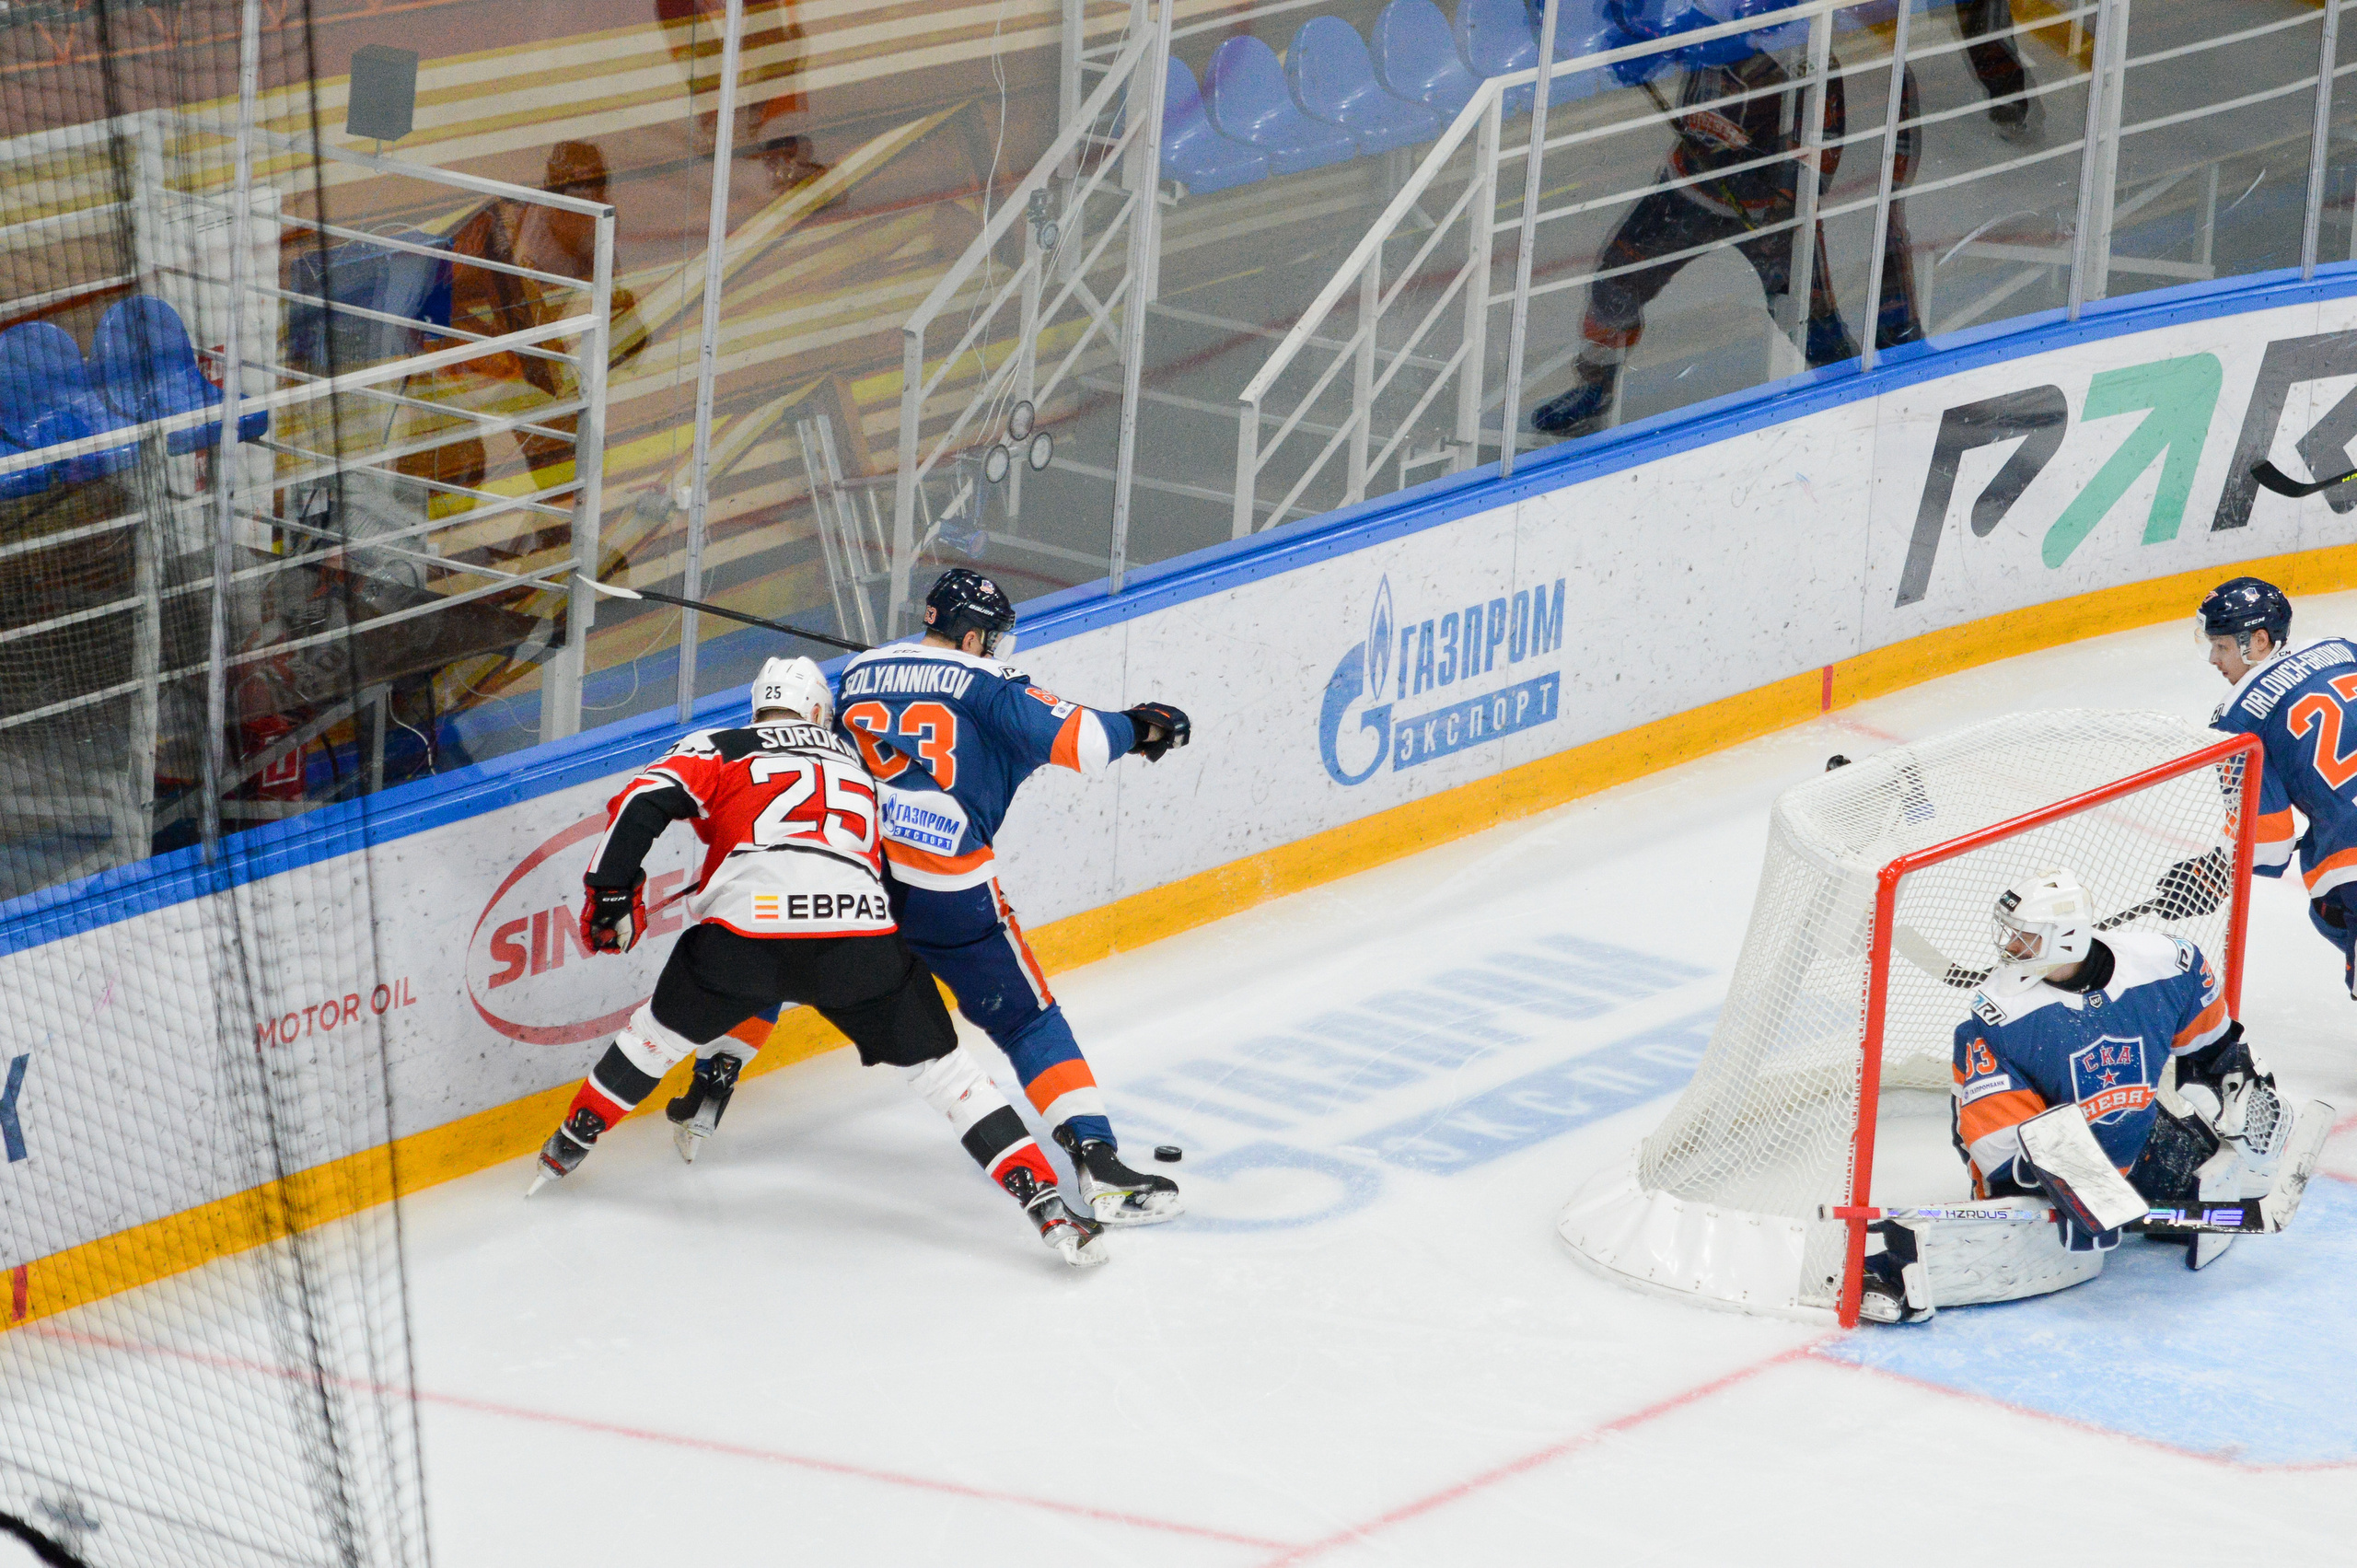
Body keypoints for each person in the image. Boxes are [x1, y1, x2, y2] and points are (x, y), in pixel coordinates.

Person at [525, 654, 1107, 1268]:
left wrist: (612, 892)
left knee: (653, 1037)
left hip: (743, 937)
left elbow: (643, 802)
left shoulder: (718, 744)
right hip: (859, 938)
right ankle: (1045, 1203)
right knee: (949, 1075)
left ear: (759, 704)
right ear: (819, 711)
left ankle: (572, 1141)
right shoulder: (856, 759)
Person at [829, 568, 1193, 1226]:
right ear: (970, 637)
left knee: (770, 941)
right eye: (990, 638)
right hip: (950, 894)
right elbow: (1082, 740)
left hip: (863, 884)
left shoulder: (857, 674)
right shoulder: (988, 685)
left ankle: (716, 1074)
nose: (995, 649)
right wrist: (1144, 727)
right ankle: (1097, 1159)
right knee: (1028, 1019)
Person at [1859, 867, 2299, 1322]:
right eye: (2011, 935)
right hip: (2038, 1162)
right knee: (2051, 1248)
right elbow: (1993, 1140)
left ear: (2065, 939)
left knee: (2211, 1192)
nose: (2009, 948)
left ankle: (2127, 1188)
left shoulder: (2167, 964)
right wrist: (2071, 1185)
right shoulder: (1996, 1017)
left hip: (2136, 1138)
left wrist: (2244, 1089)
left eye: (2024, 939)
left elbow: (2214, 1048)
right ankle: (1898, 1269)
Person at [2200, 575, 2357, 995]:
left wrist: (2216, 869)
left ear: (2259, 641)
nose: (2214, 659)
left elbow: (2269, 844)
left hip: (2352, 860)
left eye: (2222, 646)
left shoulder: (2235, 722)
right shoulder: (2343, 650)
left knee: (2329, 910)